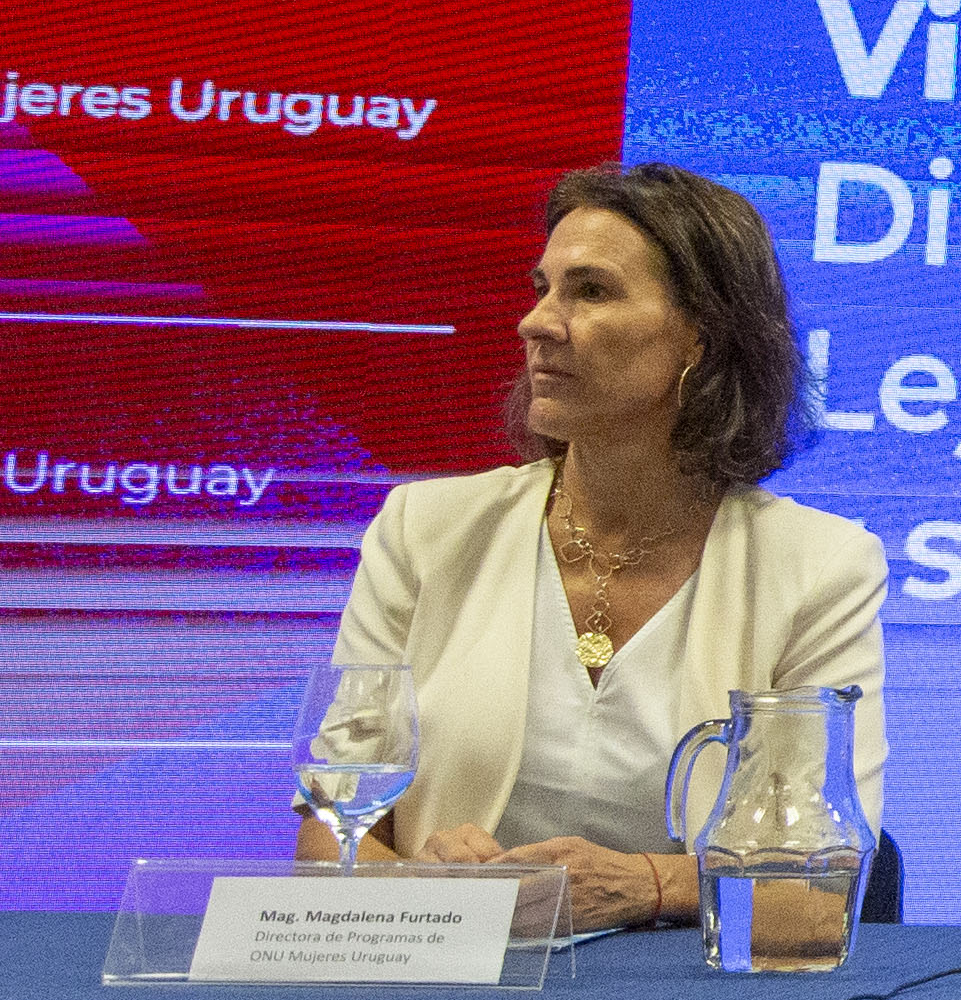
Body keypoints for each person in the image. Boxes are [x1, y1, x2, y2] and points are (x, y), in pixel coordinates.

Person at [321, 167, 889, 934]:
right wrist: (428, 887)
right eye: (543, 286)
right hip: (443, 990)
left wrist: (646, 885)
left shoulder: (819, 566)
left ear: (701, 334)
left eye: (590, 291)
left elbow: (819, 883)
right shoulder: (425, 529)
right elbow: (332, 840)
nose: (536, 322)